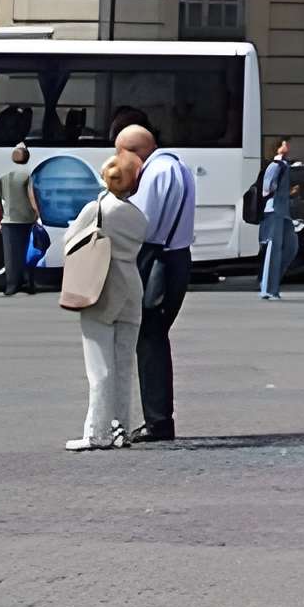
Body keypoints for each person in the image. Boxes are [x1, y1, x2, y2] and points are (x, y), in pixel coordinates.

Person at [62, 150, 151, 451]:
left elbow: (70, 241)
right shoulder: (138, 216)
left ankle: (97, 432)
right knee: (124, 365)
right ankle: (120, 427)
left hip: (101, 286)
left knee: (99, 365)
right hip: (131, 288)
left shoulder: (97, 208)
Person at [118, 121, 195, 444]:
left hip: (158, 260)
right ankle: (159, 419)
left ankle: (158, 421)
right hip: (176, 256)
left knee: (150, 339)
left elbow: (142, 224)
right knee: (154, 336)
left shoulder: (156, 172)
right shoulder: (178, 166)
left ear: (133, 152)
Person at [0, 144, 39, 299]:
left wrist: (0, 219)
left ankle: (11, 286)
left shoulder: (3, 177)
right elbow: (32, 198)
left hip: (8, 220)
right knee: (27, 253)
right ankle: (27, 283)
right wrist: (37, 214)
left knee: (11, 255)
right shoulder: (28, 176)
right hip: (26, 220)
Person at [255, 139, 295, 302]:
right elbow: (266, 189)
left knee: (291, 247)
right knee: (274, 250)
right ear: (278, 148)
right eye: (285, 144)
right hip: (274, 210)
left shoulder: (285, 165)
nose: (288, 146)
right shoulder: (275, 165)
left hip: (284, 211)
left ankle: (270, 283)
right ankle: (269, 289)